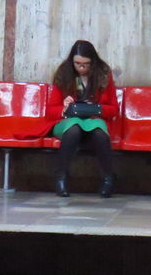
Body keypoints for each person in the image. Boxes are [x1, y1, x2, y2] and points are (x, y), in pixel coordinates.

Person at [47, 39, 118, 198]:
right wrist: (65, 109)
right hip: (67, 121)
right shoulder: (64, 73)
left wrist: (98, 109)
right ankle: (61, 177)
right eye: (77, 63)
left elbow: (113, 109)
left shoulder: (103, 75)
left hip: (94, 120)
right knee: (73, 129)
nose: (81, 68)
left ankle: (108, 178)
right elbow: (51, 110)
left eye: (85, 64)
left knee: (99, 133)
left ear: (93, 63)